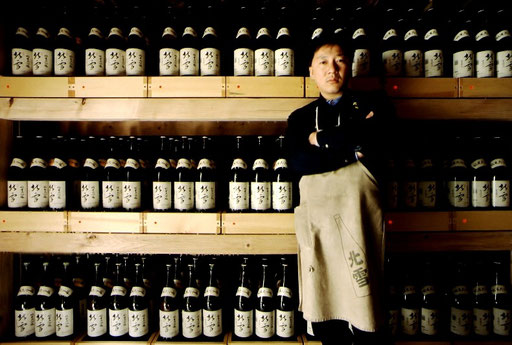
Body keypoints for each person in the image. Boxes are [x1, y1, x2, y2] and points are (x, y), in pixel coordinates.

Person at [286, 35, 392, 345]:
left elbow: (379, 139)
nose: (332, 68)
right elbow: (297, 161)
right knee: (327, 319)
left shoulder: (375, 103)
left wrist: (320, 139)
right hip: (318, 228)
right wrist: (353, 148)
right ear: (311, 71)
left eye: (340, 61)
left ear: (350, 68)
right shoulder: (300, 118)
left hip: (359, 225)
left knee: (367, 317)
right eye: (323, 62)